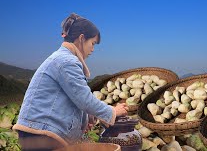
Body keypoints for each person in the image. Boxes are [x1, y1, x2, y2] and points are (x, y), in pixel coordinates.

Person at [13, 13, 128, 150]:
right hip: (41, 134)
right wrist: (113, 111)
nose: (92, 49)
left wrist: (87, 118)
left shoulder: (61, 58)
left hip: (36, 133)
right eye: (92, 43)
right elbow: (84, 99)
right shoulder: (67, 61)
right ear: (81, 39)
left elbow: (72, 98)